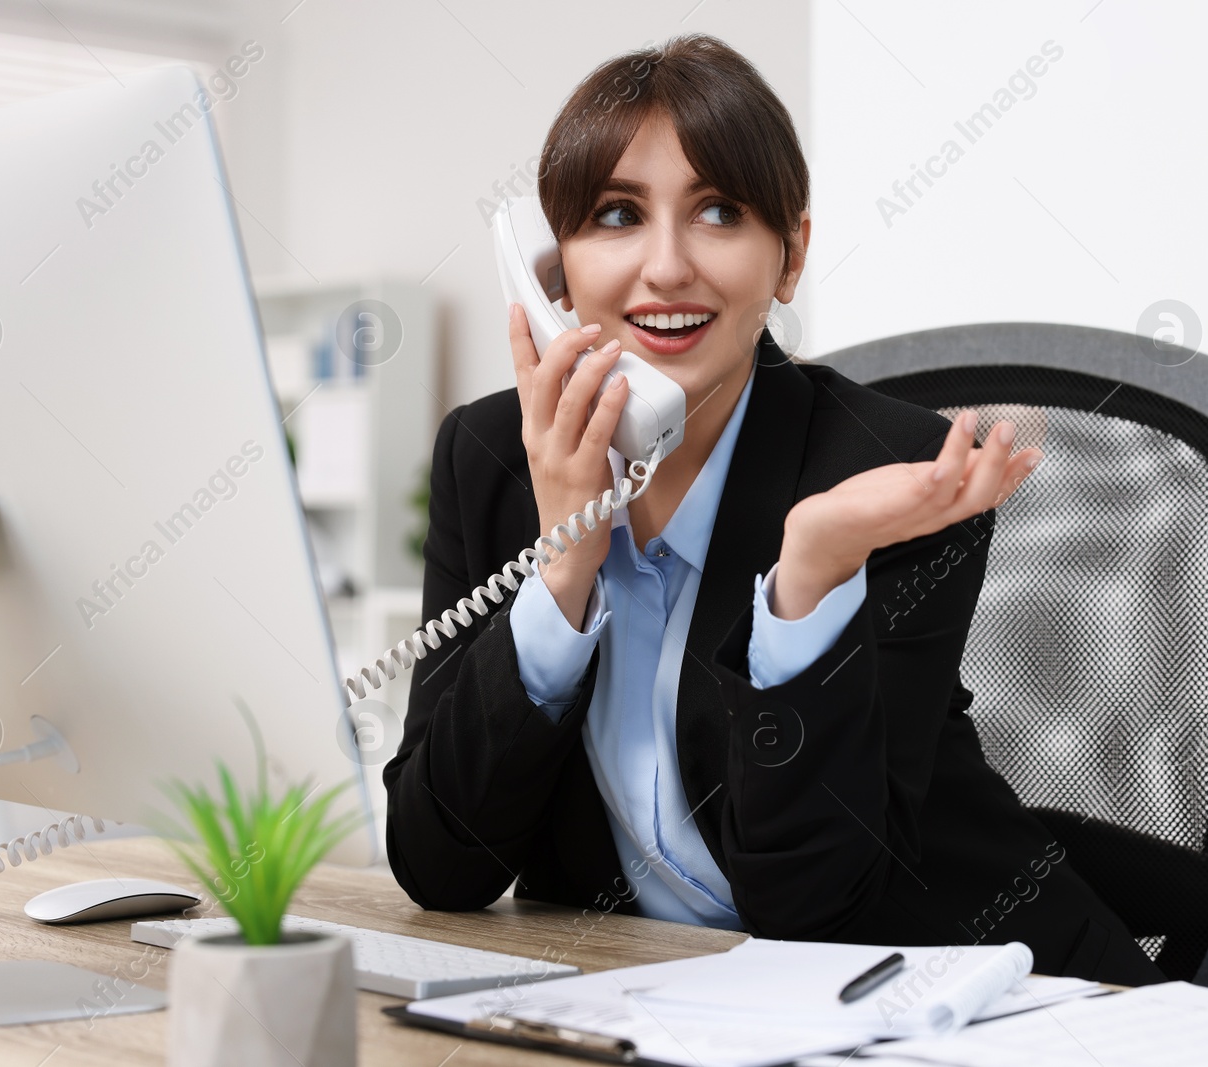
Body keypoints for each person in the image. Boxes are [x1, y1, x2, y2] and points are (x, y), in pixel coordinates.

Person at [384, 33, 1164, 986]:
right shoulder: (492, 458)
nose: (666, 268)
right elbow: (439, 865)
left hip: (989, 997)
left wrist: (812, 577)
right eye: (617, 215)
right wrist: (564, 567)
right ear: (554, 273)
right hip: (675, 1003)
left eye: (719, 211)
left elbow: (815, 904)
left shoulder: (894, 472)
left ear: (788, 257)